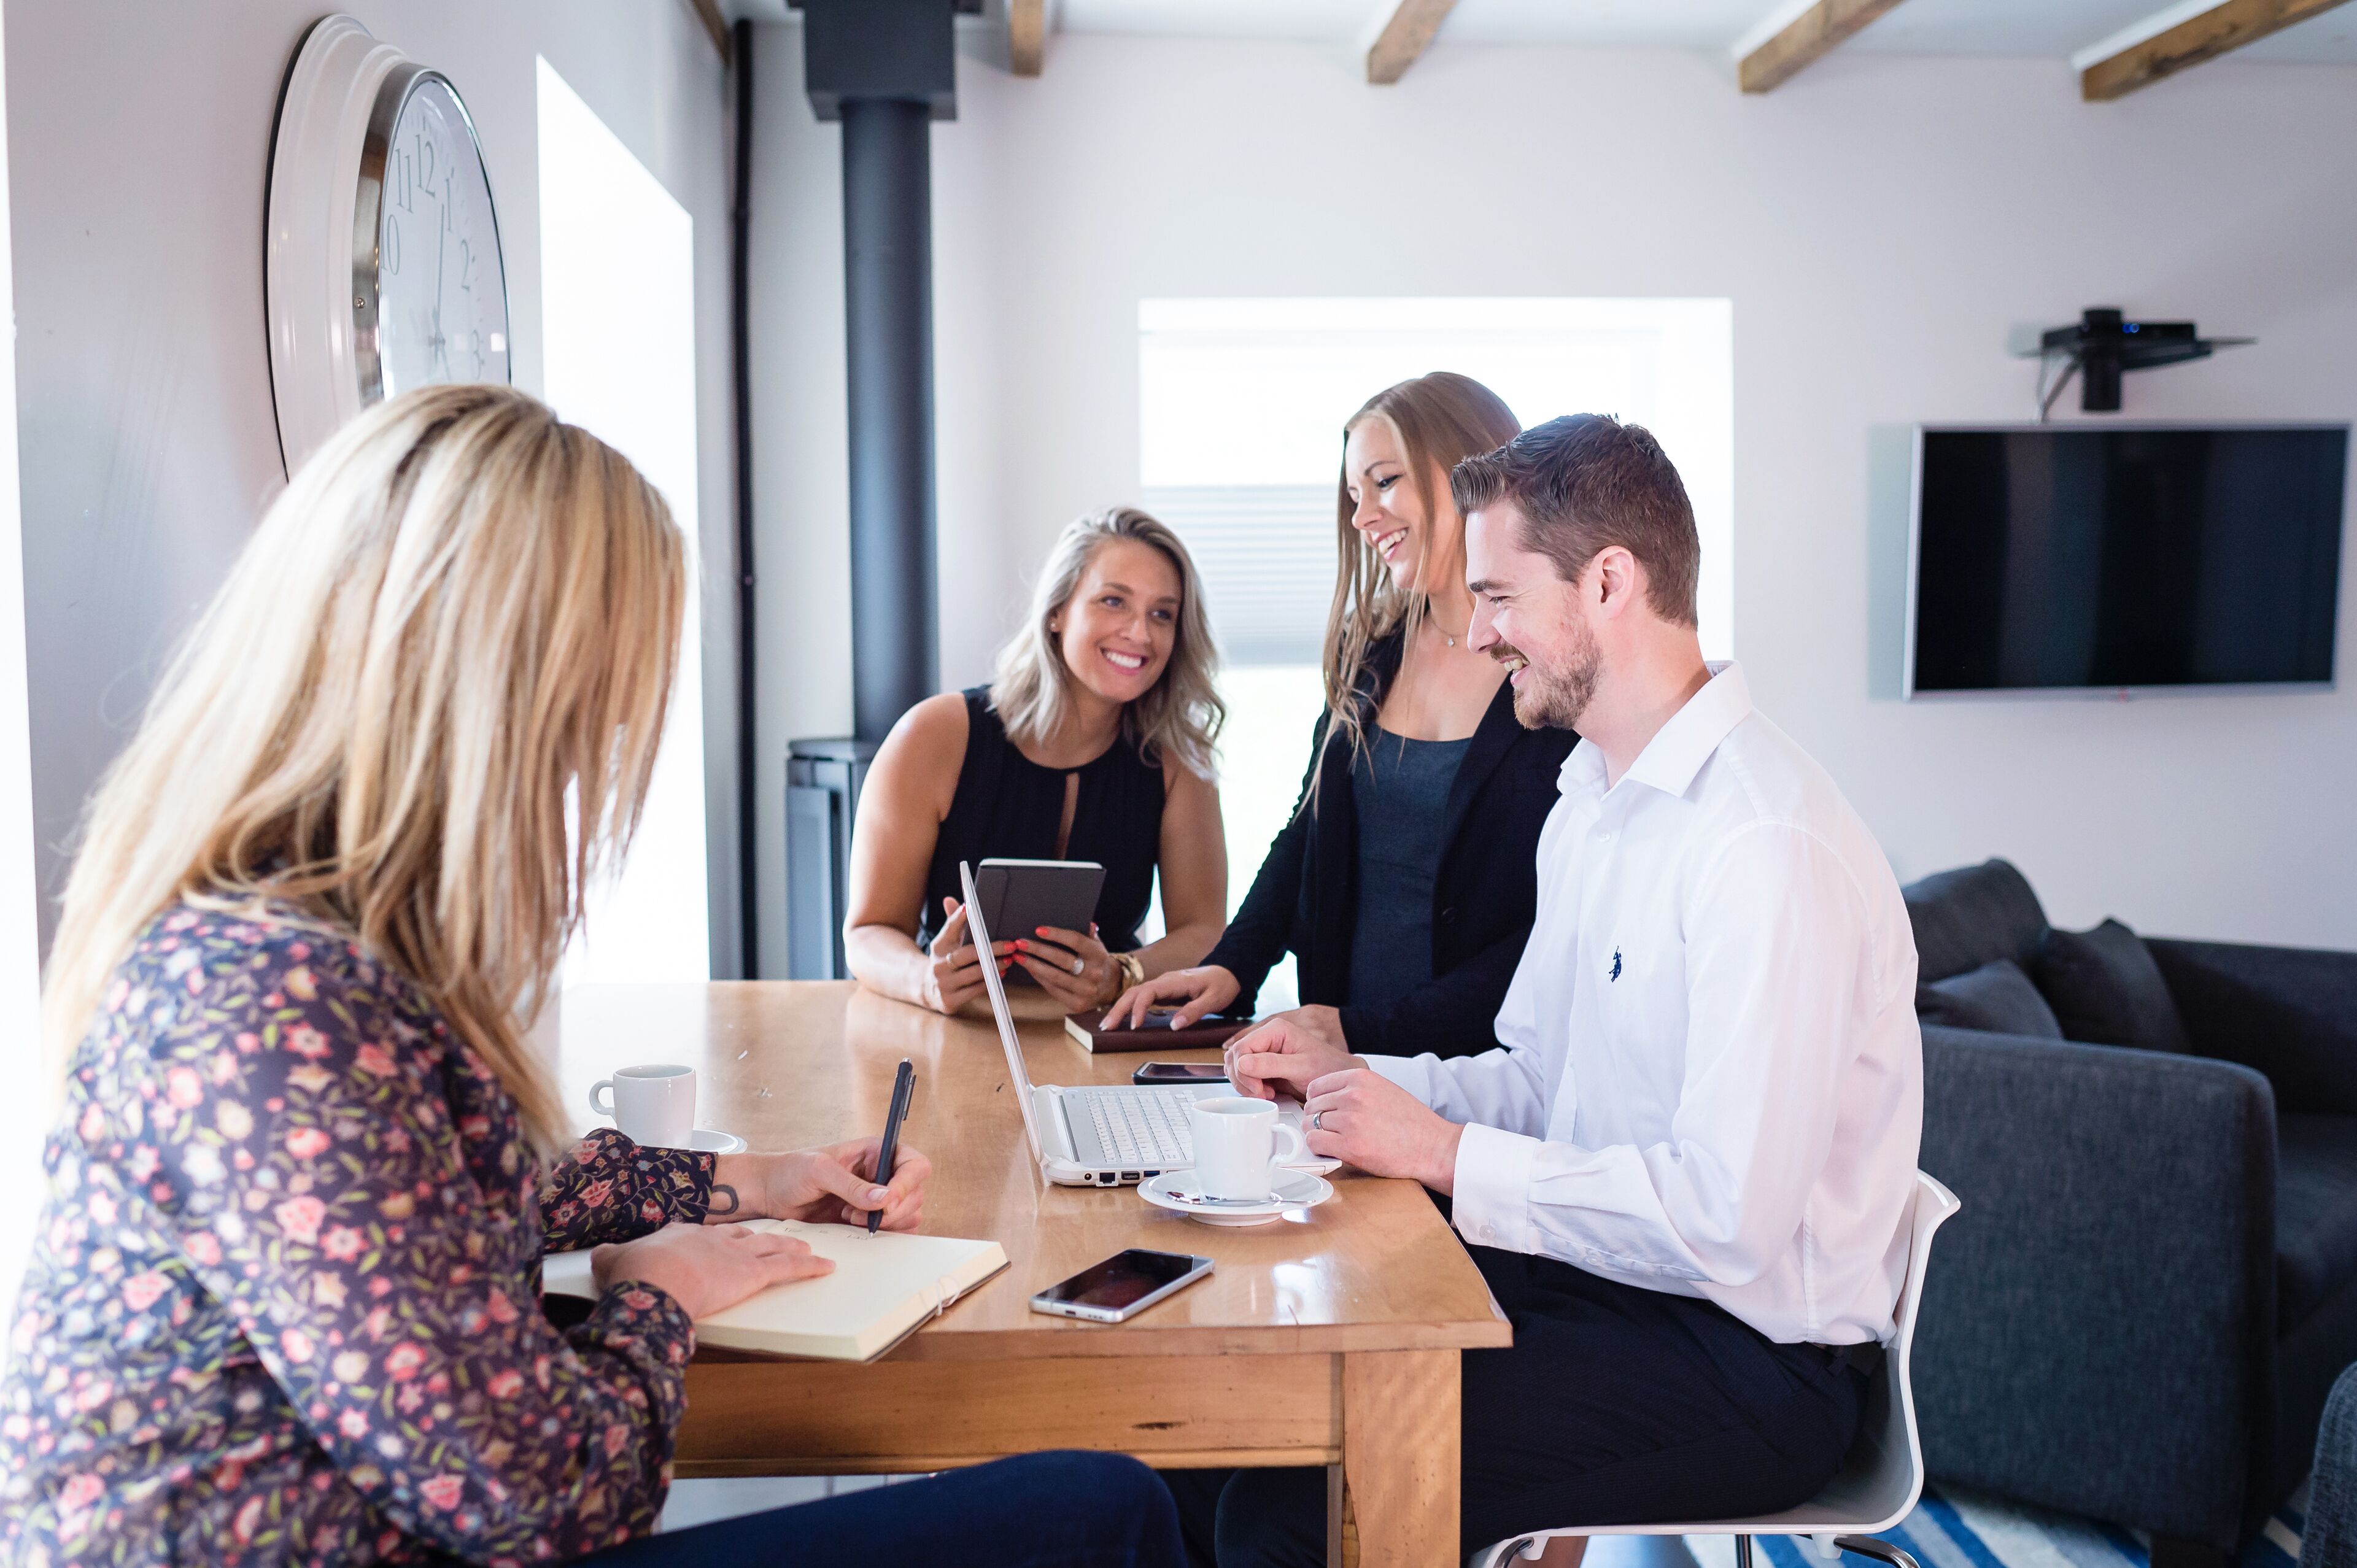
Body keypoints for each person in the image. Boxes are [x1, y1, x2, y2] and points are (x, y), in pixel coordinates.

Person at [0, 385, 1183, 1568]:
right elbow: (554, 1501)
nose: (615, 737)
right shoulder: (279, 1009)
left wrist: (752, 1179)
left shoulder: (308, 945)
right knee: (1103, 1517)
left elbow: (467, 1190)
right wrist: (655, 1291)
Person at [1186, 414, 1925, 1566]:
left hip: (1750, 1364)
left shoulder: (1762, 846)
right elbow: (1539, 1077)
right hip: (1609, 1288)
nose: (1475, 635)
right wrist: (1351, 1082)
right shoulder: (1591, 796)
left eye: (1499, 597)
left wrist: (1438, 1153)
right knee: (1246, 1409)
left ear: (1611, 583)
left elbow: (1725, 1222)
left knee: (1292, 1503)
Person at [1106, 373, 1576, 1058]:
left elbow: (1543, 932)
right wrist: (1234, 966)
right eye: (1355, 496)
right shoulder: (1373, 653)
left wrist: (1359, 1030)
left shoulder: (1551, 672)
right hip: (1342, 1070)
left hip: (1483, 1081)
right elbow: (1308, 830)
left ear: (1468, 471)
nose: (1362, 518)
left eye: (1384, 482)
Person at [845, 507, 1226, 1018]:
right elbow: (867, 933)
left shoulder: (1178, 758)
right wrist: (923, 979)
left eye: (1163, 613)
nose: (1140, 633)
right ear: (1057, 611)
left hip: (1099, 1034)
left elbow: (1203, 932)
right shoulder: (935, 735)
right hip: (952, 1029)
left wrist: (1122, 974)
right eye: (1114, 601)